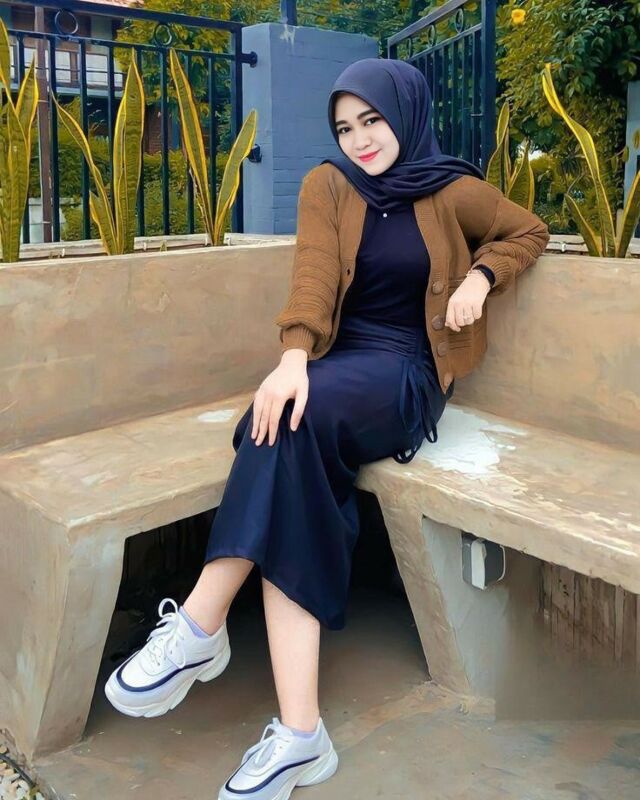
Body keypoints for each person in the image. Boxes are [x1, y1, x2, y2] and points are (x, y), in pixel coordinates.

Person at [104, 57, 549, 800]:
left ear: (404, 114)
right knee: (281, 426)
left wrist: (479, 277)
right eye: (345, 127)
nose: (360, 139)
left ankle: (202, 626)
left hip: (406, 372)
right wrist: (291, 360)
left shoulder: (448, 190)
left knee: (282, 427)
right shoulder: (328, 185)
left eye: (372, 120)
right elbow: (311, 277)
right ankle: (299, 732)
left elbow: (527, 230)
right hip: (337, 365)